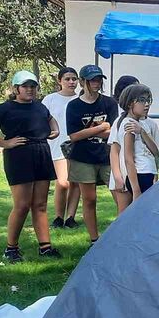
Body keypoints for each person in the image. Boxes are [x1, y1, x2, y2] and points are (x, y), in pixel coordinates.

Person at [0, 71, 62, 262]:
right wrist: (4, 144)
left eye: (33, 86)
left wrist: (55, 130)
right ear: (16, 89)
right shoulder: (5, 108)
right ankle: (11, 248)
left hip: (41, 152)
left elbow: (51, 119)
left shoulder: (40, 107)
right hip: (19, 155)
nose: (30, 90)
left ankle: (45, 247)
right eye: (25, 86)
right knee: (22, 205)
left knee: (40, 204)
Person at [66, 65, 118, 245]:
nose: (96, 83)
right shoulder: (73, 106)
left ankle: (121, 236)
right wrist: (99, 128)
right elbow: (73, 136)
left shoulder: (109, 103)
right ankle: (94, 239)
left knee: (120, 193)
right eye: (92, 80)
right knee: (89, 199)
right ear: (82, 82)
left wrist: (87, 132)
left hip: (107, 155)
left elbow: (112, 132)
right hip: (83, 157)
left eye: (98, 79)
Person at [108, 84, 159, 213]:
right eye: (142, 100)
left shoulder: (139, 125)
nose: (147, 104)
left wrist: (142, 132)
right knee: (137, 216)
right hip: (139, 174)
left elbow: (155, 151)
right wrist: (136, 190)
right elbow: (128, 159)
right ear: (130, 103)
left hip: (147, 172)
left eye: (148, 100)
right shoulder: (128, 124)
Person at [42, 67, 81, 229]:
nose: (72, 82)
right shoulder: (50, 99)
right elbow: (42, 120)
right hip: (57, 145)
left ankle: (70, 217)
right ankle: (58, 216)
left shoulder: (81, 99)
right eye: (67, 79)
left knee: (76, 182)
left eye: (74, 79)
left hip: (78, 144)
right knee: (63, 182)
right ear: (59, 81)